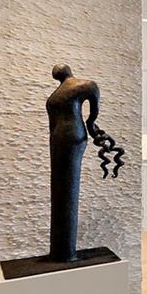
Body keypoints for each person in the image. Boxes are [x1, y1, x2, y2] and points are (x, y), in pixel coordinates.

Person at [46, 64, 123, 262]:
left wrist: (91, 126)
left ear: (63, 72)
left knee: (66, 185)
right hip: (60, 138)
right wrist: (90, 124)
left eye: (56, 71)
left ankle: (64, 251)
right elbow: (92, 115)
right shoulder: (65, 91)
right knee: (61, 186)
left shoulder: (84, 86)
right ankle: (62, 251)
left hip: (70, 137)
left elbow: (93, 113)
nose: (54, 73)